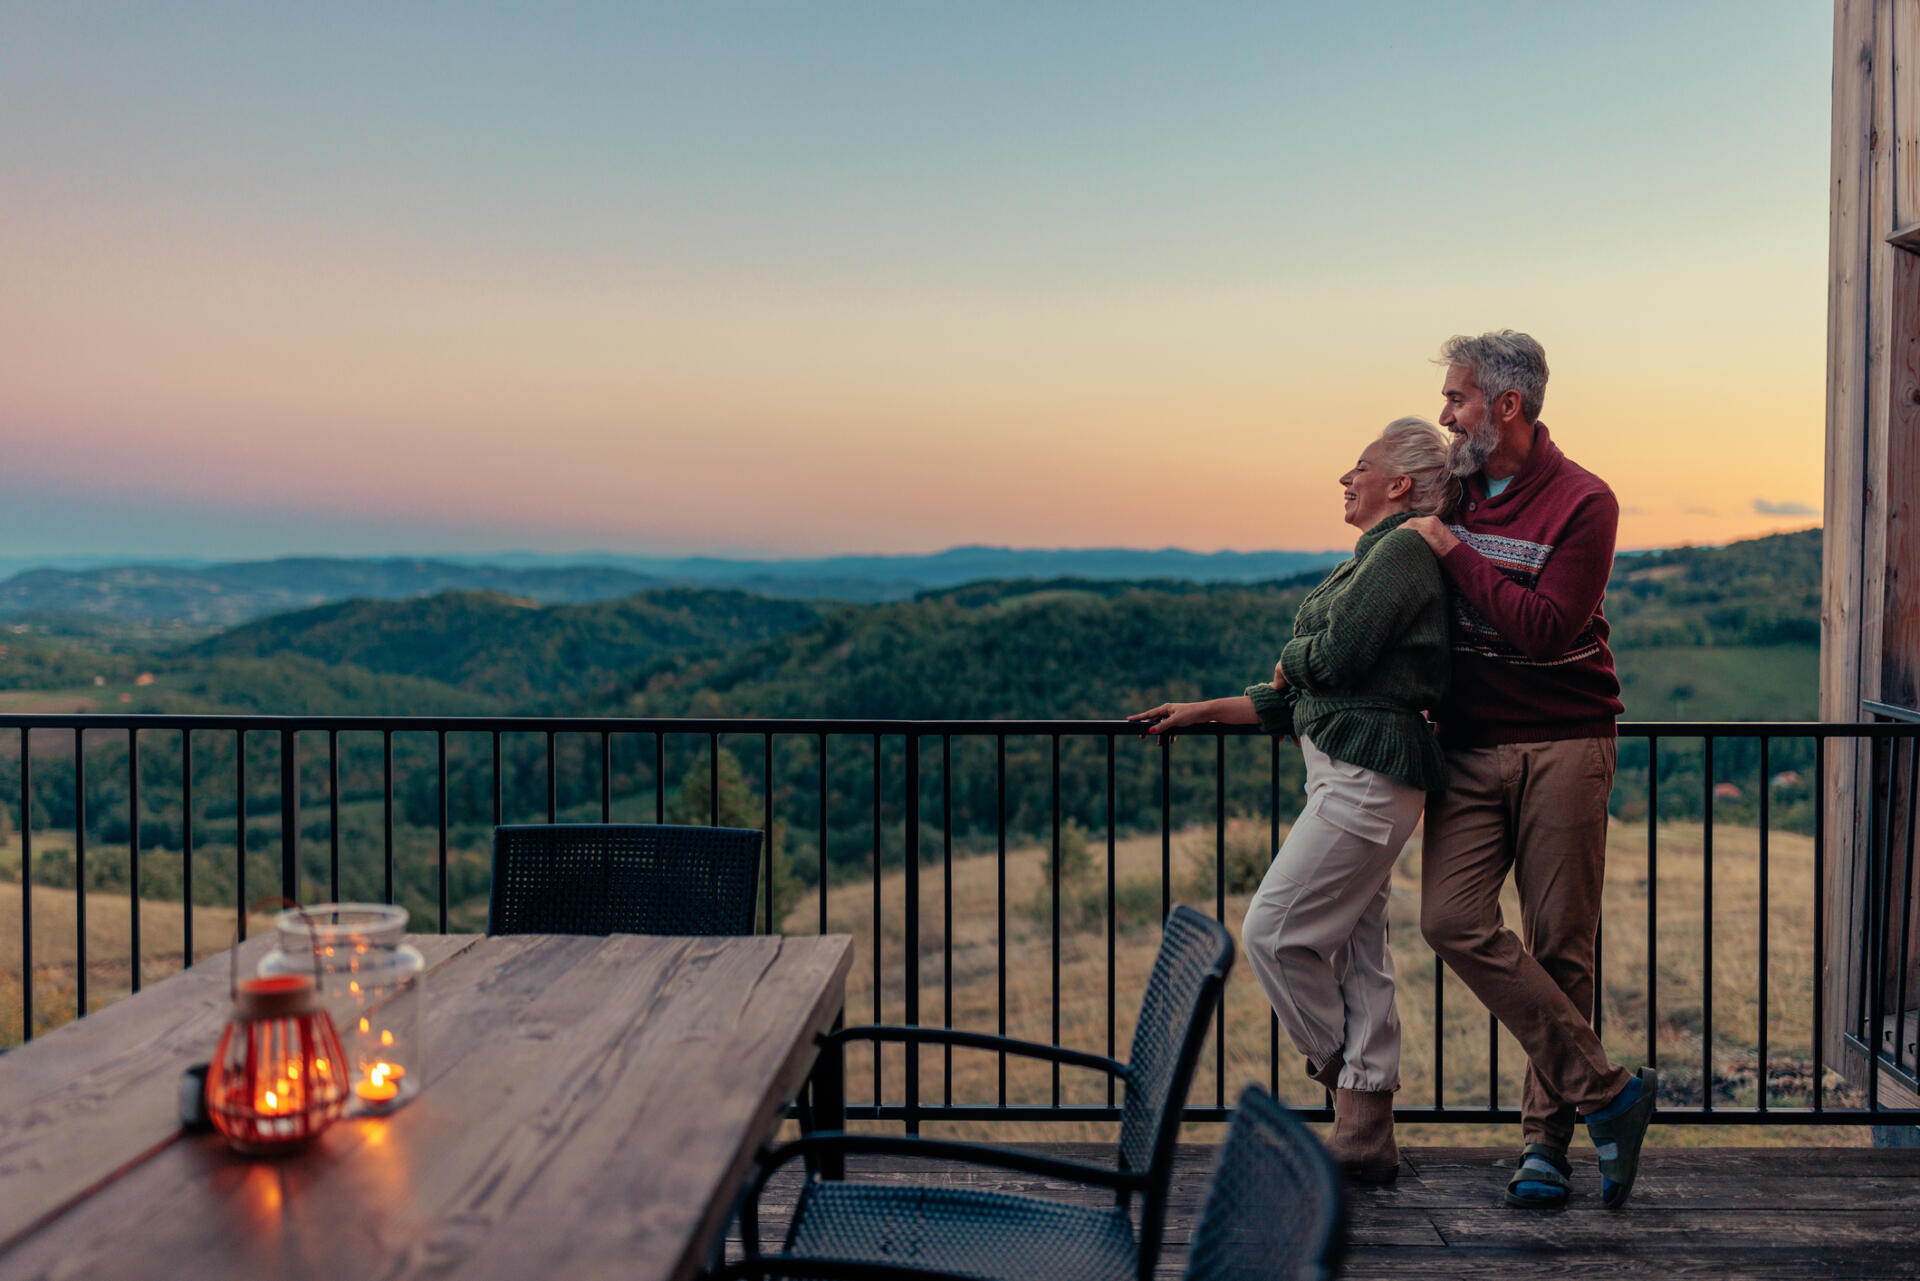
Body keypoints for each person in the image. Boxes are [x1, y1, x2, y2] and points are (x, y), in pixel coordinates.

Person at [1128, 417, 1454, 1184]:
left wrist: (1290, 661)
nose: (1346, 477)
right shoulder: (1375, 559)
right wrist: (1204, 710)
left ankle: (1353, 1087)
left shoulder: (1402, 551)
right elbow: (1307, 693)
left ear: (1399, 484)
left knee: (1272, 931)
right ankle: (1366, 1138)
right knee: (1357, 952)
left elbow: (1329, 661)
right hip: (1357, 776)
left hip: (1365, 784)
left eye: (1361, 466)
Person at [1402, 330, 1657, 1211]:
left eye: (1458, 398)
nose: (1447, 414)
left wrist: (1452, 551)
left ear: (1505, 407)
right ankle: (1612, 1092)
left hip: (1566, 740)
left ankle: (1545, 1144)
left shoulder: (1585, 501)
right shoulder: (1452, 491)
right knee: (1449, 918)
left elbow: (1546, 626)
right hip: (1468, 744)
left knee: (1560, 942)